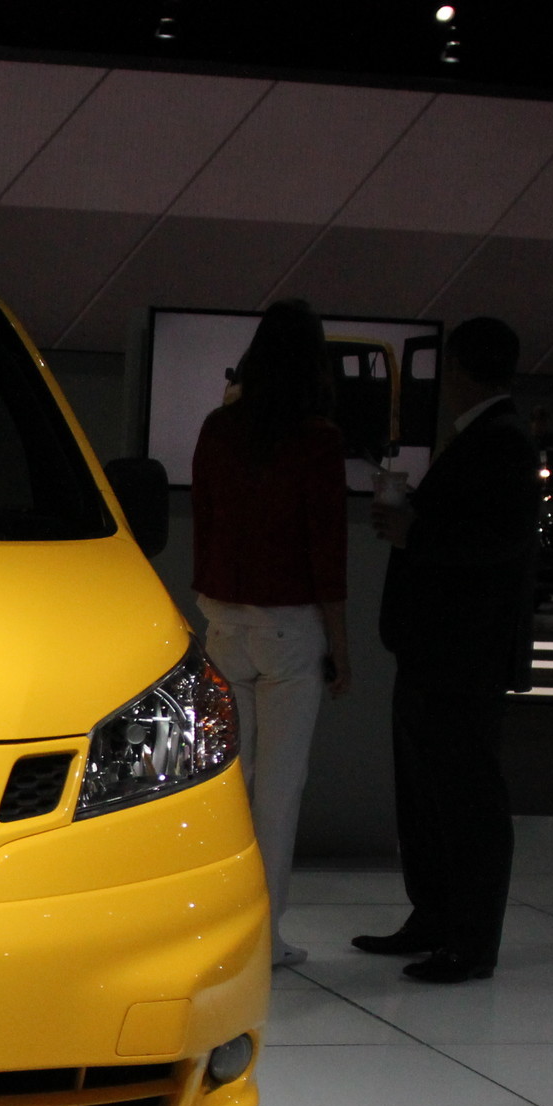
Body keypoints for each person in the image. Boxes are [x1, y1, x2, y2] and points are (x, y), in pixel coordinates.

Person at [358, 317, 541, 983]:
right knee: (431, 793)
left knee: (463, 797)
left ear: (460, 368)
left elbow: (496, 543)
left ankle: (468, 937)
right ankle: (436, 917)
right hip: (442, 653)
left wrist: (417, 533)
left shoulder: (501, 444)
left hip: (460, 657)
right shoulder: (493, 440)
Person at [189, 300, 352, 968]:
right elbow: (327, 555)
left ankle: (216, 925)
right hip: (289, 631)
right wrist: (341, 650)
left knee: (227, 781)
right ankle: (264, 936)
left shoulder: (218, 429)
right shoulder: (317, 440)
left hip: (224, 621)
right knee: (278, 792)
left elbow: (205, 521)